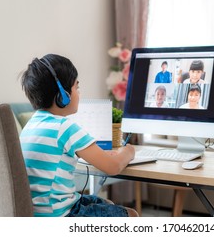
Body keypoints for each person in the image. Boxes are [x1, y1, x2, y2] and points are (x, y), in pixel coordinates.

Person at [20, 54, 138, 217]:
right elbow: (113, 167)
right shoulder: (65, 127)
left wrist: (103, 155)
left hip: (39, 213)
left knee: (107, 204)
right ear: (63, 95)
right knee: (130, 214)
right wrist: (129, 151)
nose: (79, 93)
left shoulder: (30, 126)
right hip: (61, 214)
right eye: (77, 87)